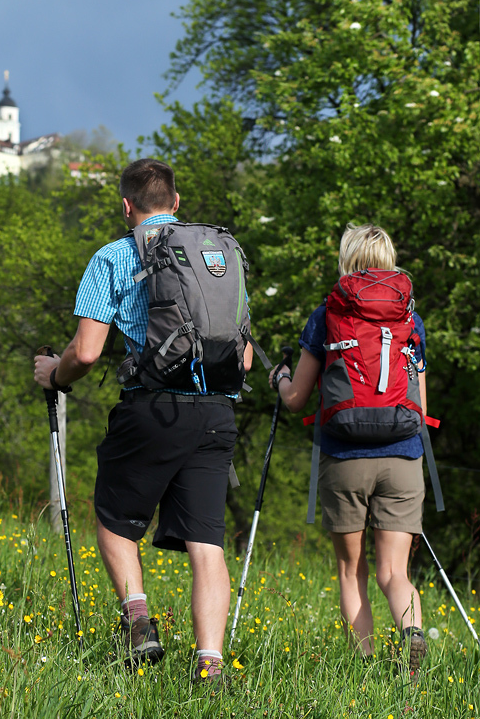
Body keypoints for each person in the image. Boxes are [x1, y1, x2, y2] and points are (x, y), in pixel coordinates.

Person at [34, 158, 253, 682]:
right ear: (176, 203)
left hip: (151, 409)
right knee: (207, 544)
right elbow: (243, 359)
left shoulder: (113, 256)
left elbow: (86, 354)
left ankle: (138, 623)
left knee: (114, 519)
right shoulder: (219, 257)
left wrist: (52, 376)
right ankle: (210, 665)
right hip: (217, 414)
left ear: (126, 206)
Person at [269, 223, 428, 676]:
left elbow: (297, 397)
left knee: (350, 571)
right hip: (403, 455)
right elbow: (420, 403)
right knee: (394, 572)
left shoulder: (326, 315)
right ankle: (412, 641)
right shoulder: (409, 320)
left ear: (348, 260)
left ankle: (366, 666)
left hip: (343, 457)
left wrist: (279, 378)